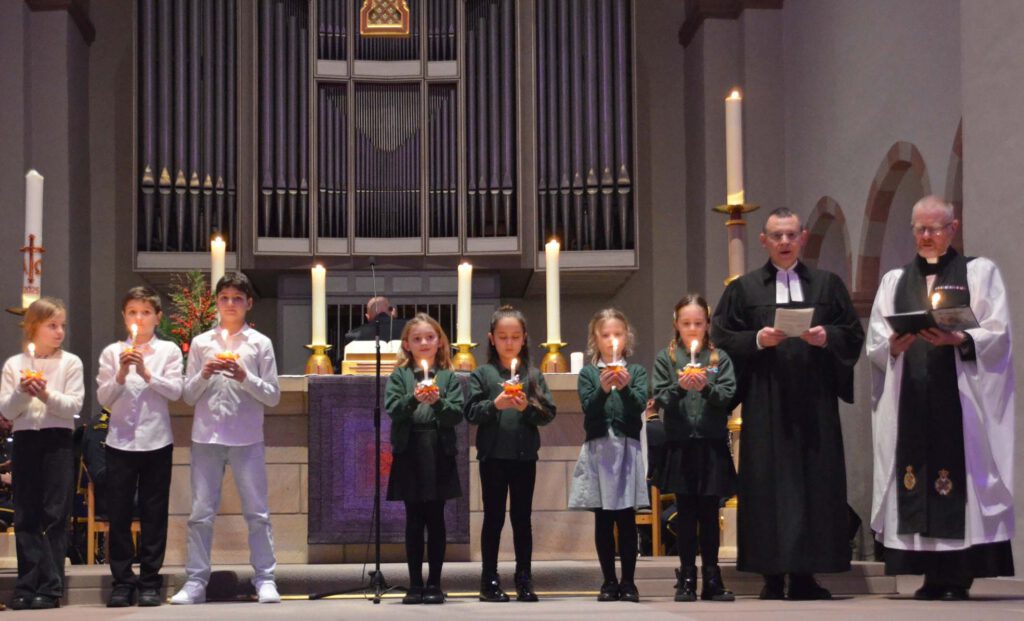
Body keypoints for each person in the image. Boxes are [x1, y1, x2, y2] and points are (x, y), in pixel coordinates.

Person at [711, 207, 864, 600]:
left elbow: (852, 333)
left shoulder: (827, 285)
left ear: (803, 238)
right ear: (763, 240)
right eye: (777, 236)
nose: (784, 242)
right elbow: (722, 335)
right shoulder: (745, 289)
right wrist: (757, 340)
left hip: (815, 402)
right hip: (767, 401)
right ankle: (772, 576)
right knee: (768, 485)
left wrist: (826, 337)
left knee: (815, 484)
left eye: (791, 235)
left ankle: (806, 576)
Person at [866, 195, 1014, 600]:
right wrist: (892, 347)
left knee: (958, 477)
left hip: (959, 402)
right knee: (913, 475)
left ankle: (956, 575)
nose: (926, 236)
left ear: (953, 228)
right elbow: (876, 339)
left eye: (934, 228)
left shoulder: (979, 273)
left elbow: (997, 332)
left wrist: (960, 338)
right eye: (920, 229)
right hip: (911, 398)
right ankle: (930, 574)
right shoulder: (895, 281)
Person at [171, 273, 282, 605]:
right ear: (216, 303)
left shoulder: (260, 343)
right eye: (224, 298)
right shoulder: (202, 343)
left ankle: (265, 578)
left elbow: (273, 395)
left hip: (247, 436)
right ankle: (195, 581)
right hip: (207, 436)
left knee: (257, 513)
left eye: (237, 298)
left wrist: (244, 376)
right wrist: (204, 374)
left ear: (248, 303)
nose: (230, 304)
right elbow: (188, 395)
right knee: (200, 513)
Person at [96, 287, 183, 607]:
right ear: (124, 316)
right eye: (133, 312)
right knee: (118, 514)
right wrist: (122, 372)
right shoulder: (112, 352)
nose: (139, 318)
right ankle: (122, 581)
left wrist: (146, 372)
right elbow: (104, 398)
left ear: (157, 317)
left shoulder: (168, 351)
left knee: (153, 513)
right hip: (120, 442)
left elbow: (175, 391)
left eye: (145, 312)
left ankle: (149, 581)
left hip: (156, 441)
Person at [464, 306, 556, 603]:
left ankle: (524, 578)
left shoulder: (533, 375)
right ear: (491, 338)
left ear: (524, 338)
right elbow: (471, 412)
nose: (509, 342)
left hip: (523, 457)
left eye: (515, 336)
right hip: (492, 457)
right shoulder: (483, 374)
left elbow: (547, 414)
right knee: (493, 518)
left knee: (521, 519)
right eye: (502, 336)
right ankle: (489, 579)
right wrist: (496, 404)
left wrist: (525, 407)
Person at [0, 297, 85, 610]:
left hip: (57, 441)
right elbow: (7, 409)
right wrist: (23, 391)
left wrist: (45, 393)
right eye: (52, 325)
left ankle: (50, 586)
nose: (60, 331)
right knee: (26, 513)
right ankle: (26, 585)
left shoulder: (70, 363)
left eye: (62, 325)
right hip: (26, 440)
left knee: (54, 513)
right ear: (34, 327)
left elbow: (73, 406)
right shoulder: (15, 364)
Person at [653, 294, 736, 602]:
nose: (692, 329)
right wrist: (679, 387)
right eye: (686, 323)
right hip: (681, 445)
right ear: (676, 324)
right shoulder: (666, 358)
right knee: (686, 513)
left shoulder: (719, 358)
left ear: (707, 325)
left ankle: (712, 577)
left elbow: (728, 395)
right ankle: (687, 577)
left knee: (709, 514)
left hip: (711, 446)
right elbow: (659, 397)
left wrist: (707, 388)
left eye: (698, 323)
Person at [569, 308, 649, 603]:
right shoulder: (589, 374)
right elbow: (589, 408)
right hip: (600, 449)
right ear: (596, 339)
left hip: (626, 449)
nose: (611, 340)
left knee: (626, 519)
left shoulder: (636, 372)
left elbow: (639, 406)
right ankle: (608, 581)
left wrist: (625, 389)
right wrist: (603, 389)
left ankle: (628, 582)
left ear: (627, 337)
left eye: (617, 334)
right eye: (605, 335)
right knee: (603, 519)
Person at [385, 313, 464, 605]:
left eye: (430, 337)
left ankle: (435, 583)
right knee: (414, 520)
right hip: (410, 450)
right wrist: (413, 398)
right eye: (417, 338)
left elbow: (456, 413)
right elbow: (393, 409)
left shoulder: (448, 376)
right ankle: (415, 583)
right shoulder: (400, 376)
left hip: (438, 450)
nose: (424, 343)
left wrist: (438, 402)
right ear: (407, 344)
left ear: (439, 341)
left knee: (436, 518)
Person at [343, 296, 407, 347]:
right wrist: (394, 318)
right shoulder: (408, 329)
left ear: (367, 317)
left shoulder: (353, 336)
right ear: (392, 312)